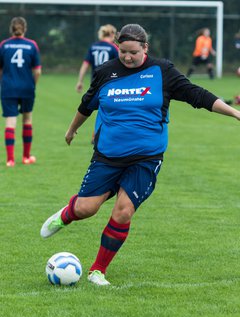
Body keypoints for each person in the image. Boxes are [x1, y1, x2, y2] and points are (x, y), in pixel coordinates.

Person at [41, 24, 240, 286]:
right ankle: (67, 214)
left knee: (123, 211)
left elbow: (196, 95)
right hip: (107, 155)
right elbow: (87, 105)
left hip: (146, 158)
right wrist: (71, 130)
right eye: (122, 52)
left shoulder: (162, 71)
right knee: (86, 208)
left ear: (145, 48)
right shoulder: (105, 72)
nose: (127, 57)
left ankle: (97, 270)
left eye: (133, 52)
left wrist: (235, 113)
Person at [0, 17, 41, 167]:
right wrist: (33, 85)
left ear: (11, 29)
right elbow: (37, 71)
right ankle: (26, 157)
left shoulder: (3, 45)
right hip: (27, 88)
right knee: (27, 120)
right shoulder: (32, 45)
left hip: (8, 88)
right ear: (25, 28)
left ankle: (10, 160)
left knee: (10, 122)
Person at [75, 24, 118, 144]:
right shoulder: (113, 48)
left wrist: (80, 81)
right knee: (105, 108)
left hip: (95, 82)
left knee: (100, 108)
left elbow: (85, 64)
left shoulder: (93, 47)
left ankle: (96, 135)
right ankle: (97, 135)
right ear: (112, 34)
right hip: (110, 82)